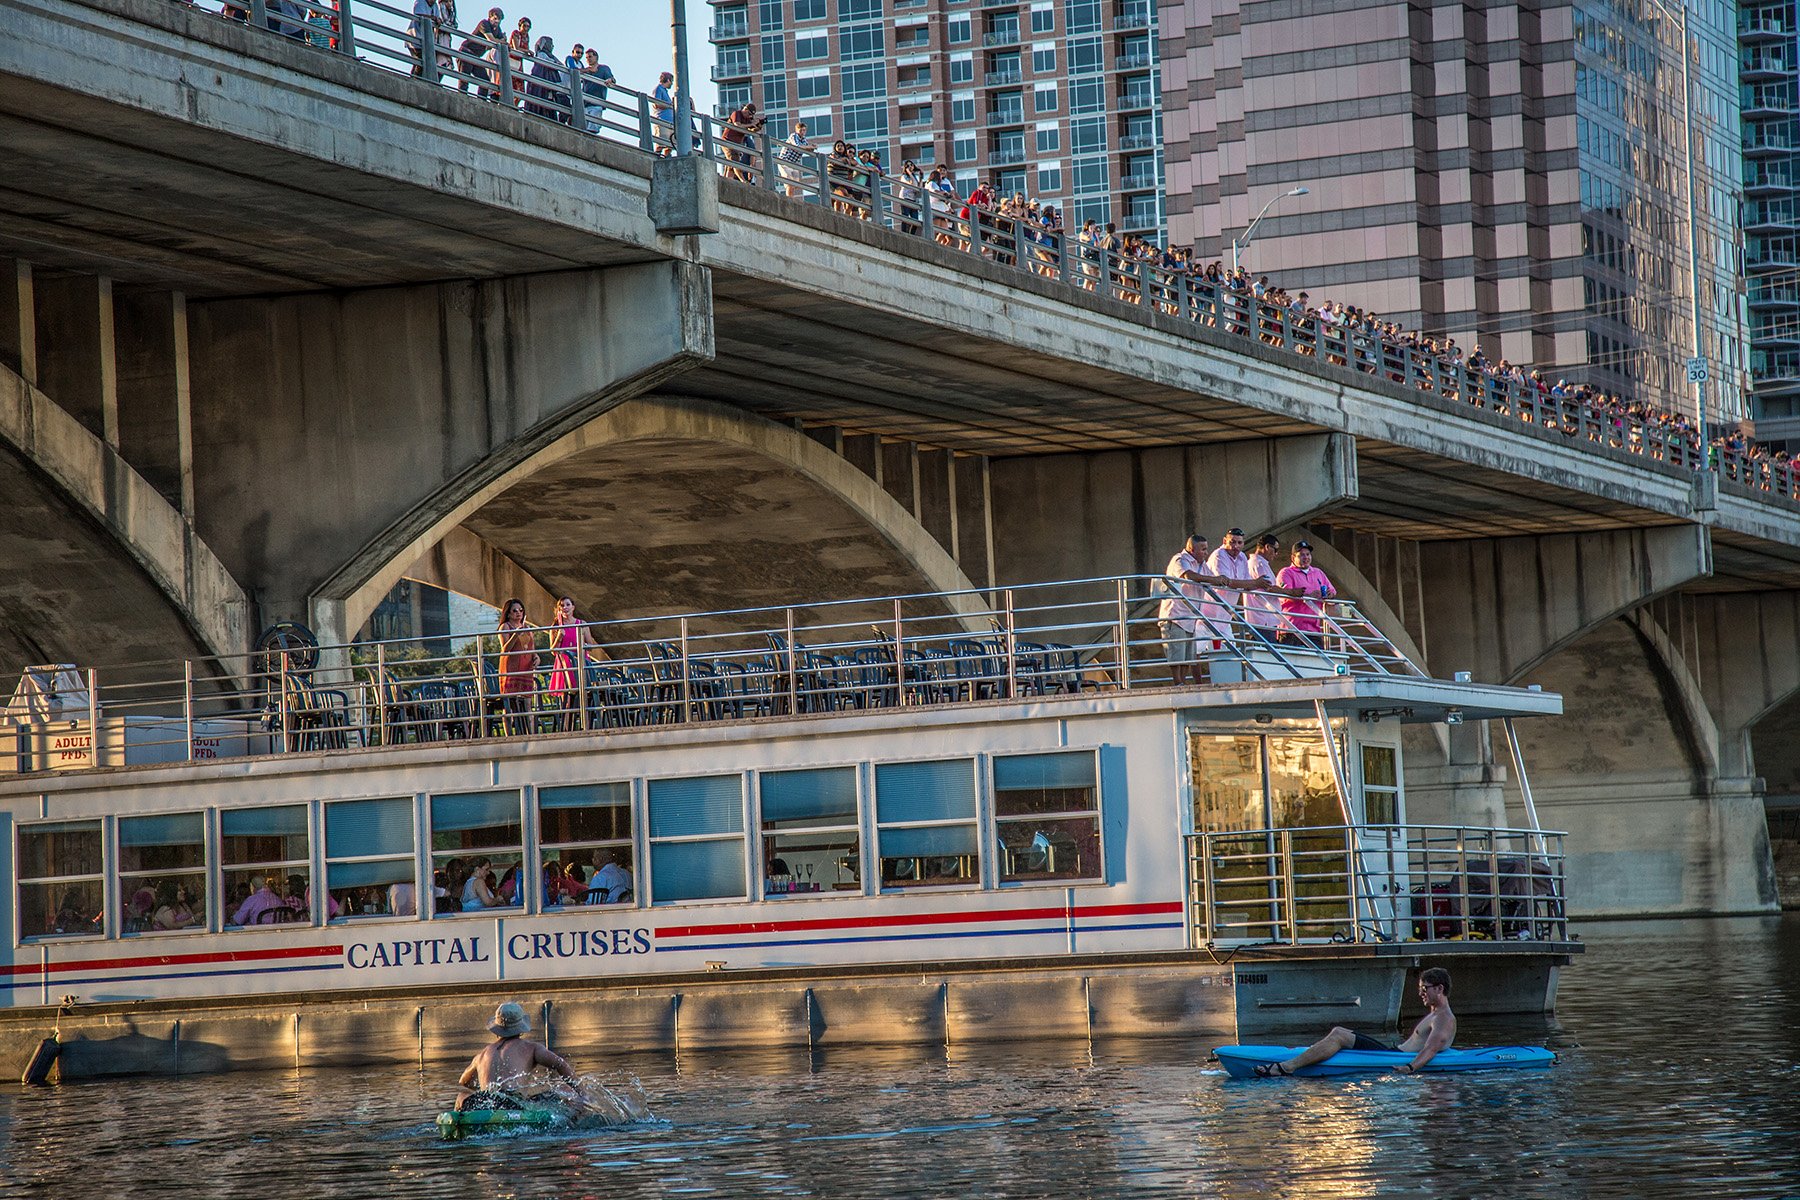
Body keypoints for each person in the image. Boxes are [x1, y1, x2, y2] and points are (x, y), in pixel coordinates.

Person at [1257, 968, 1455, 1076]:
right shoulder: (1435, 1014)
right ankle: (1308, 1055)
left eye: (1424, 989)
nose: (1420, 993)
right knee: (1339, 1033)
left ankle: (1288, 1066)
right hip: (1393, 1052)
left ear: (1438, 989)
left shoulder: (1443, 1018)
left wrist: (1409, 1068)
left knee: (1339, 1034)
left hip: (1395, 1057)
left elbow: (1430, 1049)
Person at [456, 1002, 580, 1111]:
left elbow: (464, 1082)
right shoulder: (531, 1048)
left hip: (485, 1102)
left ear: (497, 1028)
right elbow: (560, 1064)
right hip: (511, 1105)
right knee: (566, 1091)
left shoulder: (482, 1054)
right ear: (520, 1027)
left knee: (461, 1096)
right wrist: (582, 1093)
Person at [1157, 534, 1231, 686]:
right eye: (1203, 549)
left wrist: (1223, 580)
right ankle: (1177, 682)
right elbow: (1187, 575)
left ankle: (1182, 682)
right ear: (1192, 549)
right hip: (1175, 615)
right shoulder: (1180, 560)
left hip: (1190, 617)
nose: (1206, 552)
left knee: (1187, 655)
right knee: (1176, 653)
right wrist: (1213, 580)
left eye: (1206, 549)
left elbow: (1213, 579)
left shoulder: (1202, 565)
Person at [545, 596, 596, 731]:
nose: (565, 607)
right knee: (568, 698)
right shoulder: (555, 627)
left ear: (573, 607)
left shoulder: (581, 624)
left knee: (585, 694)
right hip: (564, 664)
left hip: (580, 662)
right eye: (562, 605)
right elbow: (553, 650)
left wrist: (582, 645)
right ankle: (568, 727)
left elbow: (591, 646)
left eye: (567, 605)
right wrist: (559, 636)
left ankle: (587, 726)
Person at [1276, 540, 1338, 648]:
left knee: (1317, 663)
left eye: (1308, 554)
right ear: (1293, 558)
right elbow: (1285, 595)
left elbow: (1332, 590)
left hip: (1314, 630)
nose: (1306, 557)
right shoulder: (1286, 573)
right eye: (1301, 555)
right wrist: (1309, 596)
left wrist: (1329, 594)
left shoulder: (1318, 573)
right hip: (1291, 629)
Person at [496, 598, 537, 735]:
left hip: (525, 668)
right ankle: (509, 734)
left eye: (520, 610)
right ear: (508, 613)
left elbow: (532, 648)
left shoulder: (528, 628)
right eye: (514, 611)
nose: (518, 613)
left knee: (527, 702)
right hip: (511, 668)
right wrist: (516, 634)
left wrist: (536, 658)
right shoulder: (505, 627)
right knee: (509, 704)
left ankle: (529, 732)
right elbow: (505, 649)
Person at [651, 71, 675, 154]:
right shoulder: (658, 89)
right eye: (671, 81)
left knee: (670, 145)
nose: (672, 83)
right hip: (662, 120)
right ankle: (656, 158)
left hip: (669, 122)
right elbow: (656, 104)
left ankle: (667, 158)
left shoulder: (664, 91)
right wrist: (669, 105)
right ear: (668, 80)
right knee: (661, 143)